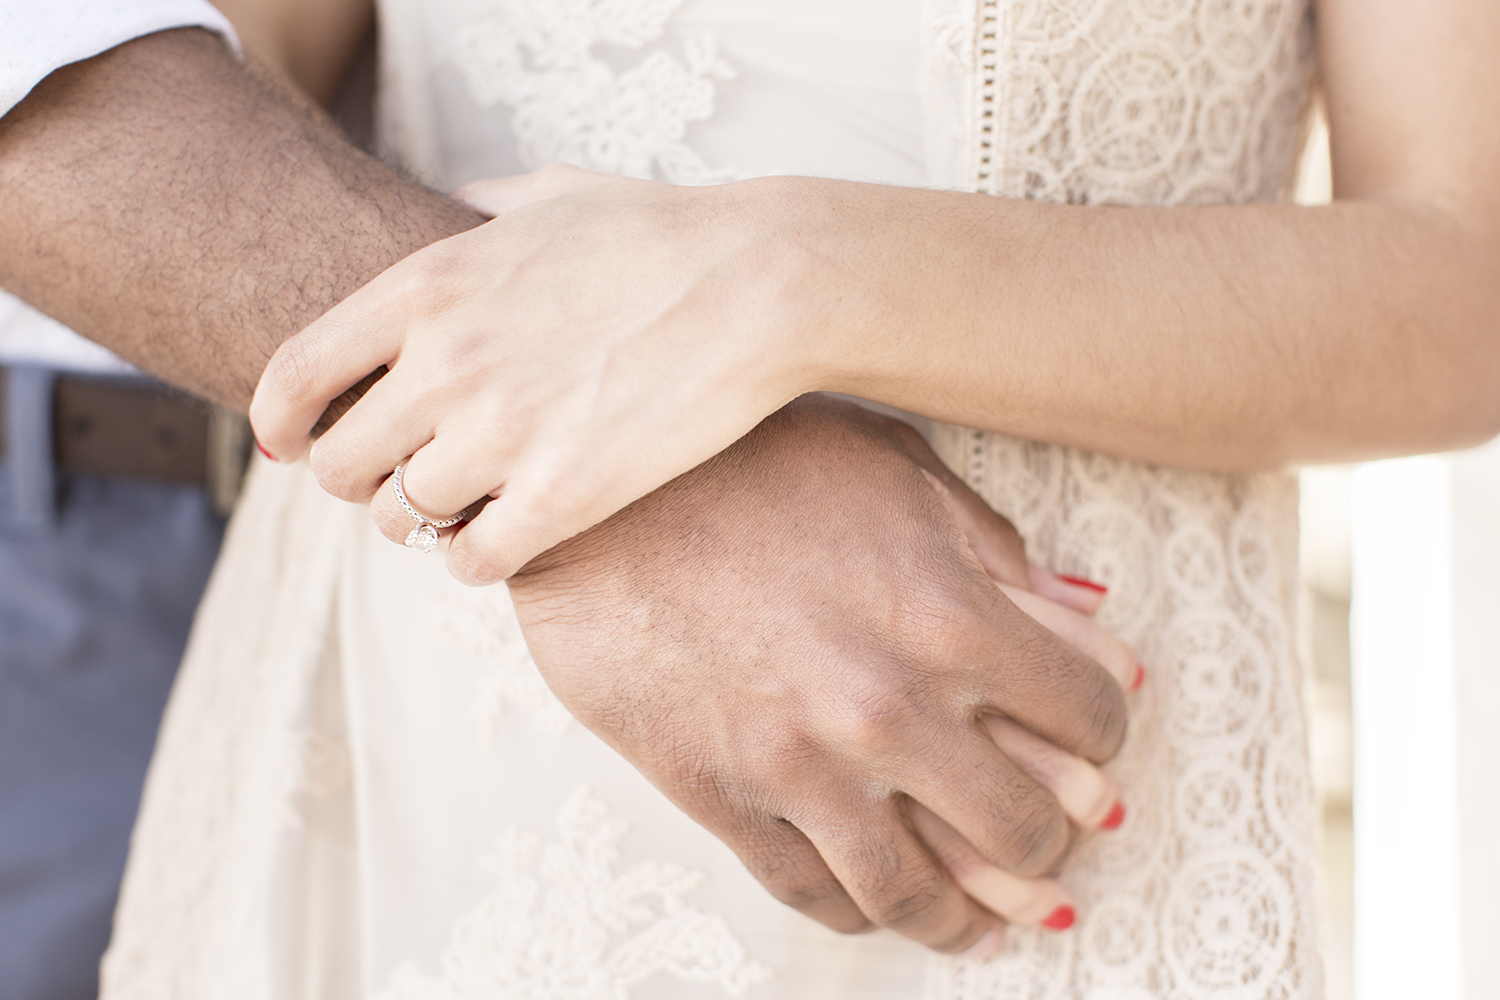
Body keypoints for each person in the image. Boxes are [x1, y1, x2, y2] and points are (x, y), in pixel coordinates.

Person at [2, 1, 1496, 998]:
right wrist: (613, 512)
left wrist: (788, 276)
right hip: (459, 737)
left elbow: (1468, 273)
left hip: (1059, 791)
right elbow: (138, 98)